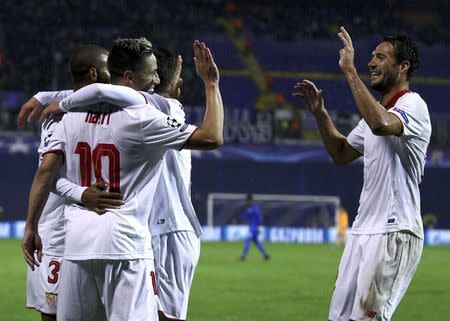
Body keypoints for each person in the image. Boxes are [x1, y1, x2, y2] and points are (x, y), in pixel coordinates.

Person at [22, 38, 223, 321]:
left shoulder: (68, 116)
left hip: (77, 246)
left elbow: (48, 174)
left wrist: (51, 99)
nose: (155, 79)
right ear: (128, 77)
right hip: (124, 246)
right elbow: (213, 136)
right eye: (150, 73)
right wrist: (211, 84)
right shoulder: (143, 117)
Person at [293, 27, 431, 321]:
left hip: (395, 229)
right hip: (361, 231)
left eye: (381, 57)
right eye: (371, 57)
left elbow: (382, 124)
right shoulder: (374, 113)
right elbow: (341, 153)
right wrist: (321, 114)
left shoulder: (413, 105)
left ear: (403, 67)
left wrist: (350, 71)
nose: (372, 63)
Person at [23, 44, 124, 321]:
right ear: (93, 73)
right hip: (55, 234)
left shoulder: (83, 106)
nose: (113, 75)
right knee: (55, 316)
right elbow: (47, 173)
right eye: (107, 69)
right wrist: (81, 195)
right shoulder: (59, 117)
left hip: (88, 231)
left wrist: (44, 95)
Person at [238, 194, 270, 261]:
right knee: (256, 242)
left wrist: (258, 227)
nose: (246, 202)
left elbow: (260, 218)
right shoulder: (248, 209)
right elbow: (244, 217)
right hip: (252, 227)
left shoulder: (254, 209)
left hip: (253, 229)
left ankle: (243, 256)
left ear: (250, 201)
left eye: (247, 201)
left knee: (247, 240)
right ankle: (266, 255)